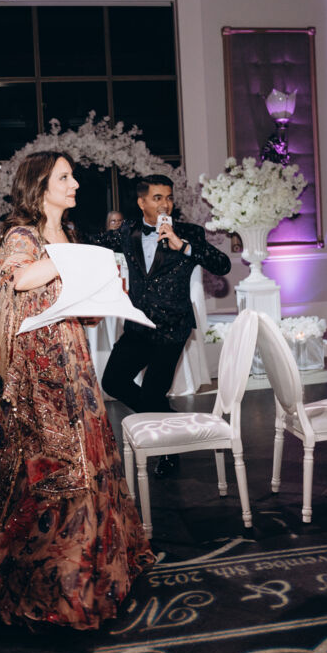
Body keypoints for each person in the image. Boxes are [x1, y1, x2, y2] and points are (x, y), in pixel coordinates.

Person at [0, 151, 154, 630]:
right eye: (64, 177)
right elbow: (19, 279)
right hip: (40, 374)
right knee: (55, 473)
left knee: (88, 464)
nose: (74, 184)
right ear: (40, 185)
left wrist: (105, 289)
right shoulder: (24, 236)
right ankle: (54, 591)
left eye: (72, 176)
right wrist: (74, 261)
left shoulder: (67, 235)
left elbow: (77, 308)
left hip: (73, 363)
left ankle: (89, 580)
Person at [89, 175, 231, 478]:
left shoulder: (189, 233)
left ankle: (168, 450)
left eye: (168, 197)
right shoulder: (127, 231)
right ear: (142, 202)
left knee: (154, 391)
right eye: (157, 198)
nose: (165, 204)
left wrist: (184, 247)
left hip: (172, 328)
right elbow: (92, 242)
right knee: (113, 381)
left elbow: (222, 265)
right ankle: (172, 422)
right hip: (138, 326)